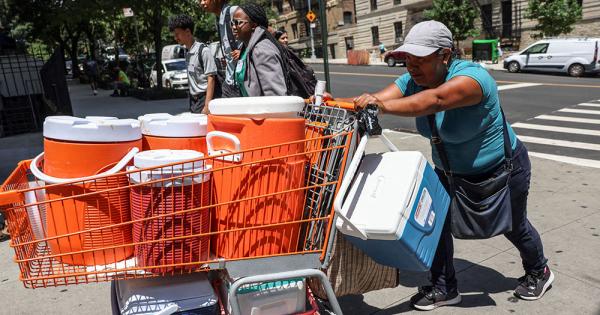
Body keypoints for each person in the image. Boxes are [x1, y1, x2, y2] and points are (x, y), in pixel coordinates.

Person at [322, 20, 553, 311]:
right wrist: (334, 103)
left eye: (420, 60)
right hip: (448, 173)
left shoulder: (472, 79)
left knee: (514, 226)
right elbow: (377, 99)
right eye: (407, 60)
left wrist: (379, 106)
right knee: (436, 226)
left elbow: (435, 100)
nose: (411, 68)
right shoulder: (413, 80)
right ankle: (444, 287)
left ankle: (538, 270)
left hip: (500, 170)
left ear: (445, 55)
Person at [231, 3, 287, 97]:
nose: (233, 27)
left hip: (264, 111)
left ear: (253, 25)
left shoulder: (262, 50)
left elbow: (275, 96)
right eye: (232, 23)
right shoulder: (246, 48)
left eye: (238, 23)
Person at [168, 14, 217, 114]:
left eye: (177, 34)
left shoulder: (203, 51)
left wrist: (207, 106)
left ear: (187, 32)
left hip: (203, 100)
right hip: (193, 101)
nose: (175, 37)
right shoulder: (187, 52)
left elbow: (211, 78)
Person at [200, 0, 242, 97]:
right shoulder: (219, 18)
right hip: (230, 82)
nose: (202, 3)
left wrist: (244, 52)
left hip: (241, 84)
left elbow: (260, 32)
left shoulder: (234, 12)